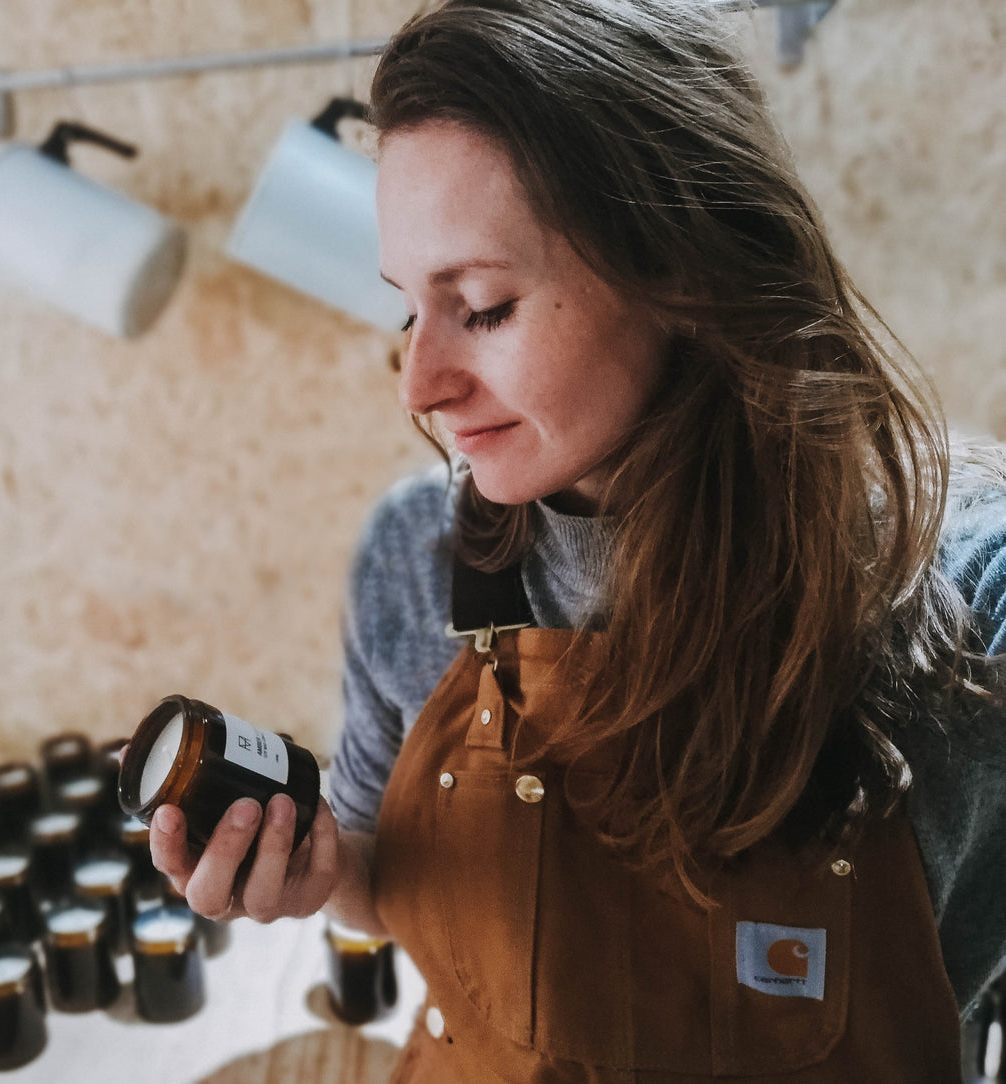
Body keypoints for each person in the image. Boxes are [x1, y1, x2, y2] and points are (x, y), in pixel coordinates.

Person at [150, 0, 1006, 1078]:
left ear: (687, 272)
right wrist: (318, 875)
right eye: (409, 308)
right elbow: (385, 877)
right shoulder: (415, 561)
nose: (419, 384)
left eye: (482, 305)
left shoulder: (969, 589)